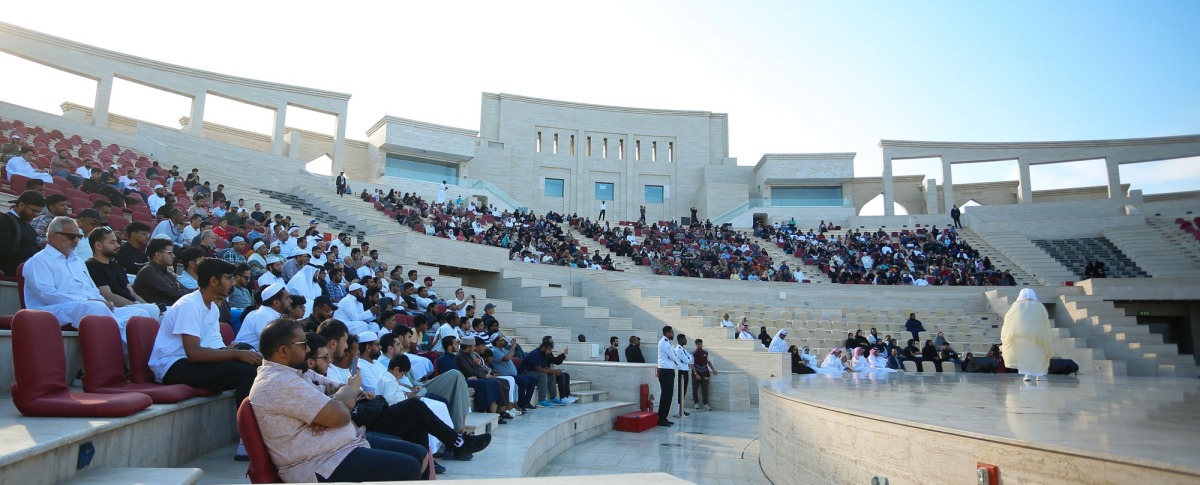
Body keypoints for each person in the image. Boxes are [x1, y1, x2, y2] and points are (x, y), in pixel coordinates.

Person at [248, 320, 429, 482]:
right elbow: (342, 413)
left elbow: (340, 389)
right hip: (318, 463)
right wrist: (341, 399)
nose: (308, 349)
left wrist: (334, 402)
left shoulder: (297, 373)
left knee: (419, 454)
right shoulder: (278, 382)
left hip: (339, 446)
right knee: (409, 467)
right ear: (283, 351)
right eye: (303, 344)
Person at [149, 258, 260, 459]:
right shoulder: (190, 305)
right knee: (246, 369)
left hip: (190, 362)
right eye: (228, 278)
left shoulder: (212, 307)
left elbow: (216, 348)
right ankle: (247, 441)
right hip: (173, 366)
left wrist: (241, 352)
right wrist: (237, 354)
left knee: (250, 357)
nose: (232, 283)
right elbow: (195, 353)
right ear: (213, 281)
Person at [23, 217, 154, 331]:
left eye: (78, 236)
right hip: (53, 309)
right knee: (95, 307)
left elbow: (92, 290)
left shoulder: (78, 261)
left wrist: (104, 302)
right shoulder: (38, 261)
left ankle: (135, 353)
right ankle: (121, 351)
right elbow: (46, 295)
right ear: (52, 236)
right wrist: (90, 301)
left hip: (87, 306)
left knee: (141, 313)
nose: (76, 241)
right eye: (71, 236)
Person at [84, 226, 161, 321]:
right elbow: (108, 296)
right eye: (112, 242)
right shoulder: (92, 266)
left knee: (163, 312)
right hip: (116, 309)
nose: (117, 245)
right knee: (152, 310)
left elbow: (132, 293)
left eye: (116, 241)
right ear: (98, 246)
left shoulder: (116, 266)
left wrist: (146, 304)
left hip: (132, 306)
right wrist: (137, 306)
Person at [1000, 288, 1053, 382]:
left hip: (1021, 335)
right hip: (1037, 335)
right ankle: (1039, 375)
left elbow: (1009, 319)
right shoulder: (1039, 305)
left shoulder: (1016, 305)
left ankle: (1027, 375)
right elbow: (1044, 320)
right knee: (1038, 354)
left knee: (1024, 355)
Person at [133, 238, 192, 306]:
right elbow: (173, 292)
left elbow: (183, 289)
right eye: (170, 253)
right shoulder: (148, 272)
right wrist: (199, 292)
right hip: (158, 312)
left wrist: (198, 291)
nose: (173, 256)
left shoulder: (164, 270)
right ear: (158, 255)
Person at [234, 283, 291, 349]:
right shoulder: (264, 316)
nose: (291, 301)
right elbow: (273, 346)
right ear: (276, 303)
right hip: (245, 355)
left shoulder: (269, 313)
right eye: (287, 298)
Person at [0, 191, 45, 276]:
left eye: (39, 212)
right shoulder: (5, 222)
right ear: (21, 205)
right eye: (34, 211)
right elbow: (4, 251)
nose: (36, 215)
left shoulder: (30, 228)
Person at [656, 325, 676, 427]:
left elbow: (674, 353)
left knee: (669, 395)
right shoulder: (663, 342)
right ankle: (661, 418)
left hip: (669, 370)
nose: (673, 334)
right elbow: (673, 356)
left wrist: (674, 354)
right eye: (671, 332)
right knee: (665, 395)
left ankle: (664, 417)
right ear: (667, 333)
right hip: (665, 371)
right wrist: (674, 354)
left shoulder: (669, 343)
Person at [691, 338, 717, 410]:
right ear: (696, 345)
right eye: (698, 344)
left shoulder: (705, 353)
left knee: (705, 389)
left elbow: (708, 361)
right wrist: (695, 374)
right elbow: (692, 364)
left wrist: (713, 369)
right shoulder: (693, 353)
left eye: (701, 344)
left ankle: (705, 404)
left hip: (705, 373)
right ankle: (696, 403)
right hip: (696, 374)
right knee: (695, 389)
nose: (700, 345)